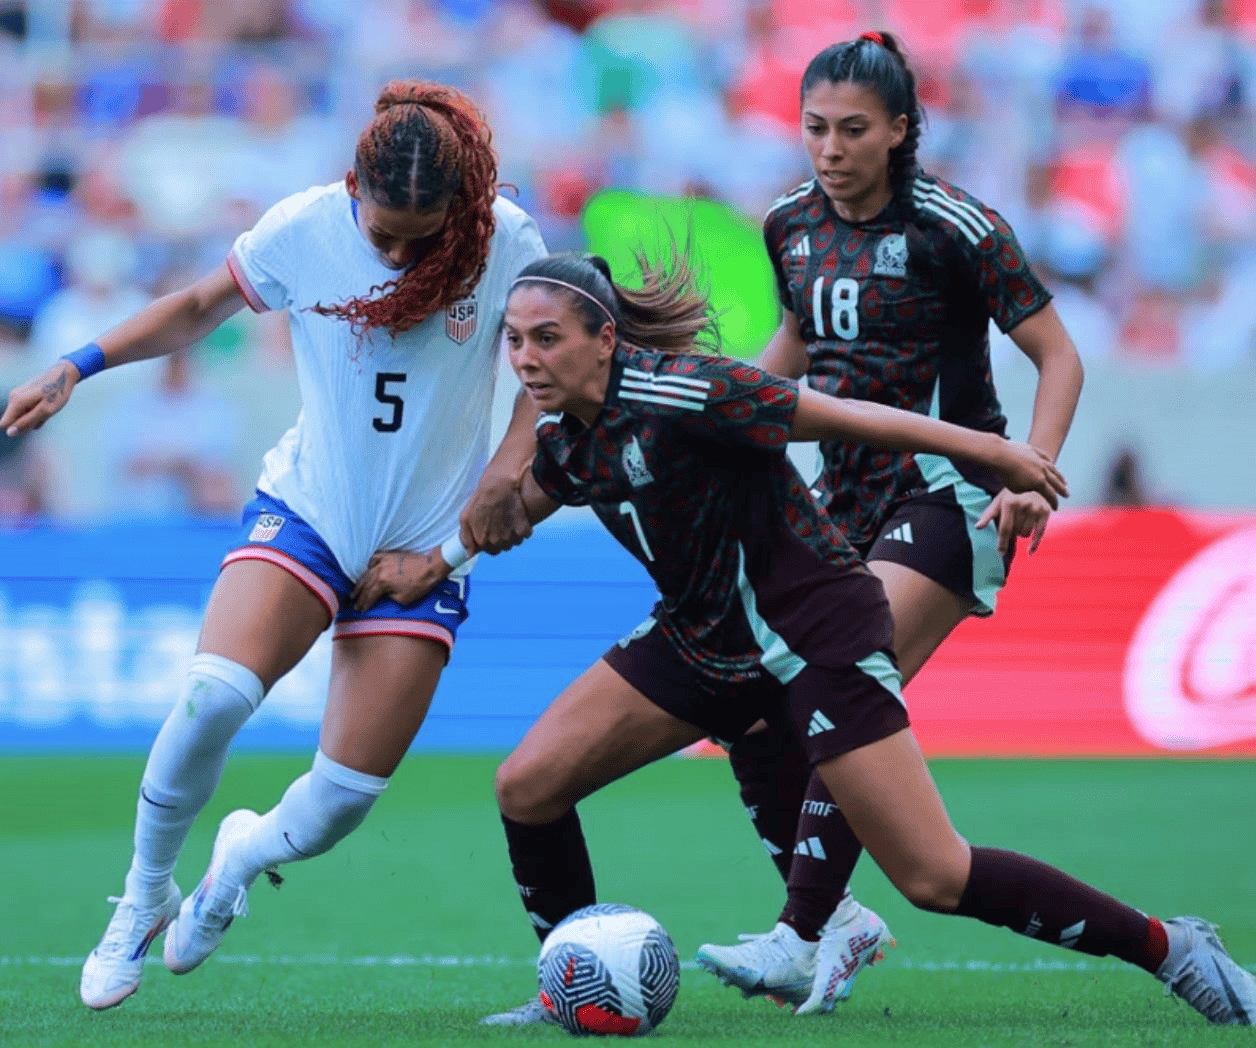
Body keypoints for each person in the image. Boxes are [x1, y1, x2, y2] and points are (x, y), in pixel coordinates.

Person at [354, 250, 1254, 1029]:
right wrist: (434, 562)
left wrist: (994, 455)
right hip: (702, 639)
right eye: (515, 341)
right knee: (528, 784)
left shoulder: (695, 390)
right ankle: (573, 985)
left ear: (603, 338)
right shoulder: (570, 445)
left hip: (815, 632)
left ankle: (1172, 948)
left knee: (935, 876)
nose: (526, 358)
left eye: (546, 338)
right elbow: (523, 507)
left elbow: (850, 416)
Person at [0, 79, 547, 1011]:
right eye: (385, 232)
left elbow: (547, 369)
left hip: (424, 540)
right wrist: (76, 363)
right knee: (214, 696)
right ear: (352, 188)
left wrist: (506, 469)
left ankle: (236, 862)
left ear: (460, 202)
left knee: (340, 802)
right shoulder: (304, 229)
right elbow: (199, 306)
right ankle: (142, 897)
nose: (403, 249)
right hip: (311, 509)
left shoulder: (508, 240)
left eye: (425, 231)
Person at [697, 31, 1091, 1014]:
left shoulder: (954, 226)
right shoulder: (787, 221)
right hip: (839, 500)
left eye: (851, 130)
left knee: (836, 685)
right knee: (753, 703)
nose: (827, 149)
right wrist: (713, 425)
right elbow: (793, 342)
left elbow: (1057, 355)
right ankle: (836, 919)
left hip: (952, 489)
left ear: (899, 130)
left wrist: (1032, 478)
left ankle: (798, 931)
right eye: (813, 128)